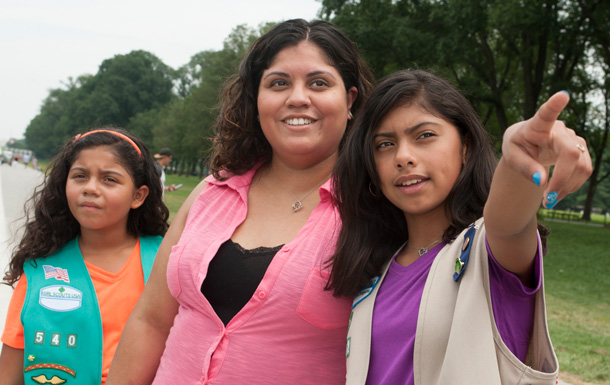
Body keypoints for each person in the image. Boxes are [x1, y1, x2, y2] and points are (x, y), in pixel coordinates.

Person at [106, 19, 373, 384]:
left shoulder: (374, 211)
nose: (297, 97)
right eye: (278, 83)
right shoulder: (210, 193)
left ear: (350, 100)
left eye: (319, 83)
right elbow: (151, 320)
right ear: (257, 98)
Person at [327, 70, 592, 385]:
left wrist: (519, 153)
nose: (403, 157)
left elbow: (508, 221)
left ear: (465, 146)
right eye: (385, 144)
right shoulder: (378, 267)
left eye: (425, 135)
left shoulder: (488, 251)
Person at [0, 128, 170, 384]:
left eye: (109, 179)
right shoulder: (37, 271)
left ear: (138, 196)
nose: (90, 188)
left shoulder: (167, 261)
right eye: (80, 176)